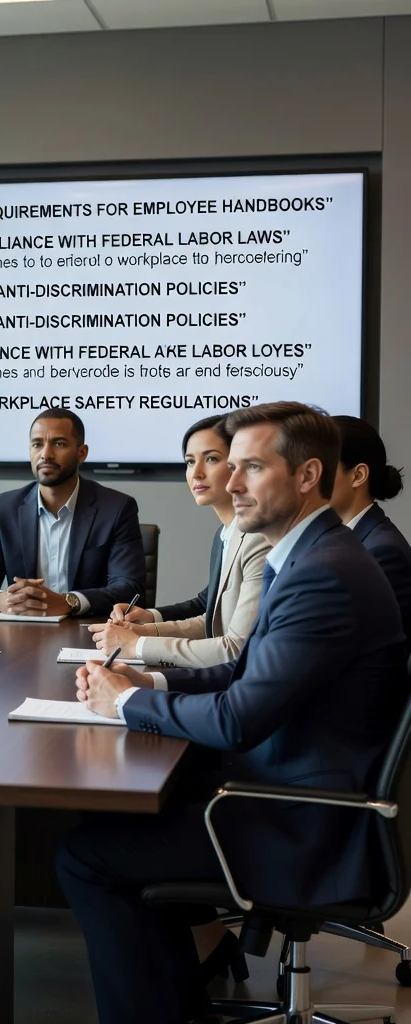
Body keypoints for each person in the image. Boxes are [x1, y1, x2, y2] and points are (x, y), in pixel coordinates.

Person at [59, 401, 406, 1024]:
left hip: (302, 823)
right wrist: (151, 676)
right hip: (286, 789)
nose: (233, 483)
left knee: (86, 856)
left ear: (307, 476)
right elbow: (249, 673)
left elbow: (239, 718)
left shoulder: (323, 570)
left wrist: (131, 701)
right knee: (117, 812)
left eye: (250, 467)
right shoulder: (308, 554)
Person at [88, 415, 270, 667]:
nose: (196, 473)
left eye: (211, 459)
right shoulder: (225, 533)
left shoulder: (260, 539)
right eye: (189, 461)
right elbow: (210, 614)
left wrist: (135, 645)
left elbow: (235, 649)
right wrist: (143, 627)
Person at [0, 408, 145, 617]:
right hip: (22, 633)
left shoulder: (116, 508)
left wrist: (69, 602)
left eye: (59, 444)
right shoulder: (4, 508)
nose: (46, 454)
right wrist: (1, 600)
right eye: (37, 444)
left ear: (81, 453)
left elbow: (129, 588)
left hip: (90, 635)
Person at [331, 415, 411, 652]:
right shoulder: (336, 539)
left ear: (357, 476)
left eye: (321, 468)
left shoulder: (382, 552)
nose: (308, 479)